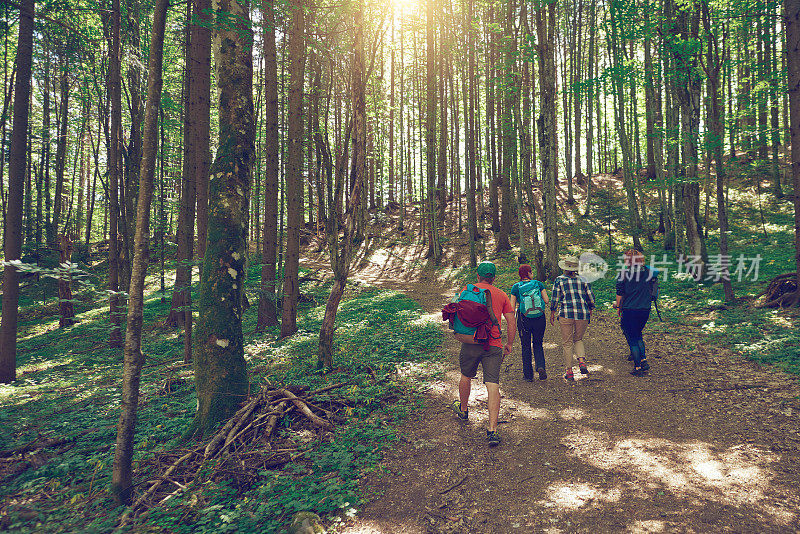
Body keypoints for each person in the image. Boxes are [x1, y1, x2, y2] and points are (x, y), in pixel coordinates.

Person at [449, 261, 515, 447]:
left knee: (465, 376)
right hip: (493, 344)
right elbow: (511, 321)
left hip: (471, 341)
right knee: (492, 384)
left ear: (478, 276)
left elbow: (455, 310)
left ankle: (463, 410)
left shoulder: (467, 289)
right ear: (494, 278)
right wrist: (509, 343)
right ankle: (492, 430)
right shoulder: (501, 294)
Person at [550, 256, 595, 381]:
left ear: (564, 267)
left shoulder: (559, 280)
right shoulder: (584, 279)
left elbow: (555, 298)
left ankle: (569, 371)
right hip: (582, 314)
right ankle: (581, 361)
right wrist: (591, 307)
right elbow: (590, 297)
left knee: (567, 342)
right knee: (578, 339)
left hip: (566, 314)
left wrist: (552, 312)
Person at [613, 249, 658, 376]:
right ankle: (643, 360)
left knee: (632, 337)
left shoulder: (624, 273)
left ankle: (638, 367)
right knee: (638, 334)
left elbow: (620, 293)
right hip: (645, 309)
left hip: (629, 309)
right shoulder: (649, 272)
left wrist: (618, 308)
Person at [509, 264, 550, 381]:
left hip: (524, 320)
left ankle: (528, 375)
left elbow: (511, 308)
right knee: (538, 343)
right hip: (539, 318)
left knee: (525, 346)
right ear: (528, 273)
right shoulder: (538, 284)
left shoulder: (516, 287)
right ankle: (540, 366)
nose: (532, 273)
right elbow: (546, 300)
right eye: (531, 272)